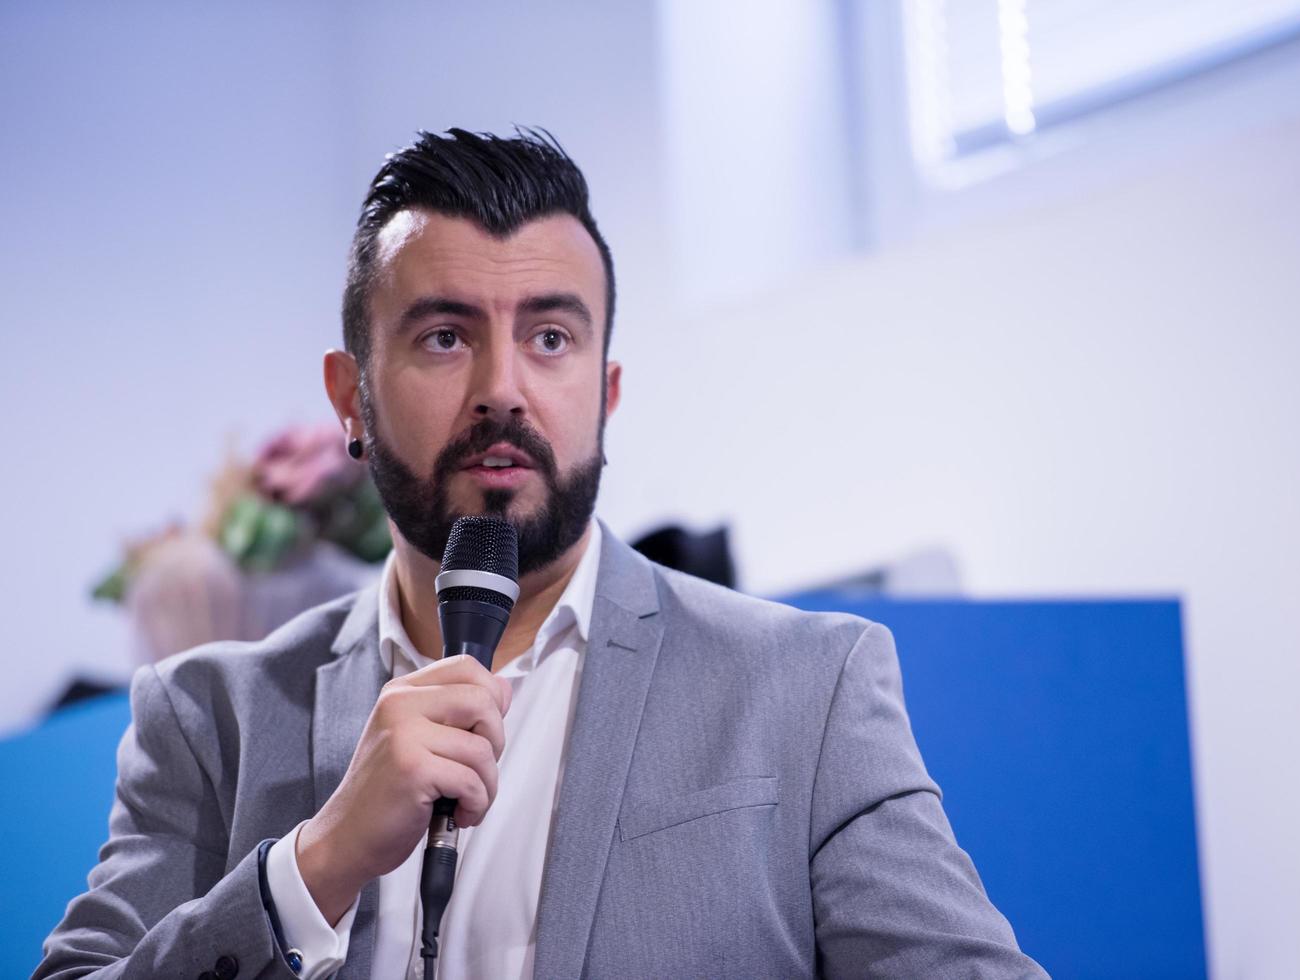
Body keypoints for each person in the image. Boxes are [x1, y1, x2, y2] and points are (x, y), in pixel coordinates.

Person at [36, 129, 1047, 979]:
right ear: (351, 396)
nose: (503, 388)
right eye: (443, 335)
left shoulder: (804, 686)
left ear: (605, 395)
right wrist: (315, 862)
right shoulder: (209, 717)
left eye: (551, 336)